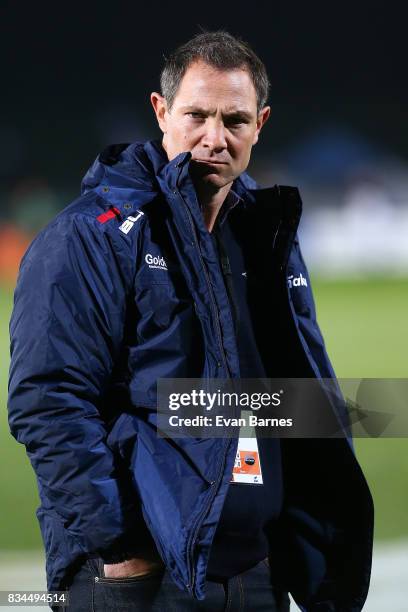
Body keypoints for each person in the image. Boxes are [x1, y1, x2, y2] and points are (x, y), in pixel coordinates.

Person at [8, 31, 373, 611]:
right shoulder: (89, 236)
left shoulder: (265, 235)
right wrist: (119, 543)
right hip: (139, 581)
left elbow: (274, 393)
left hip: (254, 573)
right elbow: (48, 401)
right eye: (197, 115)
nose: (214, 138)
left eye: (234, 120)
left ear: (262, 123)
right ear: (161, 111)